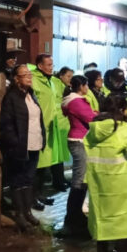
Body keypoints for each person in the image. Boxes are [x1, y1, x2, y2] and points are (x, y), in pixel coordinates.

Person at [85, 96, 127, 252]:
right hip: (120, 182)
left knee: (101, 218)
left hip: (97, 181)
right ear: (121, 111)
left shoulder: (94, 128)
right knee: (122, 221)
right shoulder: (123, 128)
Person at [0, 64, 46, 232]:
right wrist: (14, 142)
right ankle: (19, 213)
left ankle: (27, 212)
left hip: (34, 143)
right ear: (16, 78)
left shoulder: (31, 95)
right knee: (18, 180)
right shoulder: (11, 97)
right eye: (24, 74)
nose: (29, 76)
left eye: (29, 74)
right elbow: (6, 123)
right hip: (20, 146)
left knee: (28, 179)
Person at [56, 75, 98, 239]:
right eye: (86, 85)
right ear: (81, 86)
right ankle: (72, 219)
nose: (88, 87)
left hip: (79, 140)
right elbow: (91, 118)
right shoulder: (76, 102)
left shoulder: (75, 101)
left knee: (81, 179)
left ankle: (75, 216)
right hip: (79, 140)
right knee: (79, 180)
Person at [31, 54, 62, 209]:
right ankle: (32, 198)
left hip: (50, 128)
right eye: (48, 64)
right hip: (38, 128)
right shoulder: (34, 80)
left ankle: (39, 195)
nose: (51, 67)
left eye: (52, 64)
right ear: (40, 65)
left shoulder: (51, 81)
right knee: (35, 167)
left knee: (43, 167)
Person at [50, 67, 74, 192]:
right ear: (61, 76)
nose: (70, 79)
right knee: (57, 155)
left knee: (61, 155)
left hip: (63, 124)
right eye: (68, 76)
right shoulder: (55, 84)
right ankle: (58, 181)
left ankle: (61, 179)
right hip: (57, 123)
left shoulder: (64, 87)